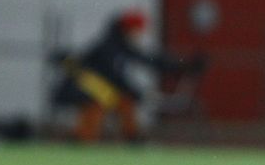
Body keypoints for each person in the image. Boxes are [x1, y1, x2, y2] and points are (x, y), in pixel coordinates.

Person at [52, 10, 195, 143]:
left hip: (100, 90)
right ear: (129, 29)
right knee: (96, 105)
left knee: (125, 102)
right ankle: (81, 140)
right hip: (83, 90)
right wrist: (138, 93)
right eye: (138, 31)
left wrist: (181, 66)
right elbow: (114, 78)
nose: (140, 35)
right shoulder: (109, 48)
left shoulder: (121, 45)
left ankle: (132, 137)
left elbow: (149, 60)